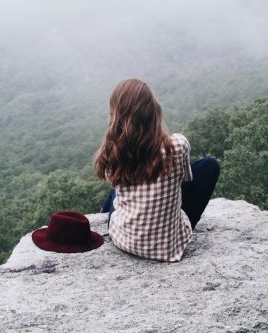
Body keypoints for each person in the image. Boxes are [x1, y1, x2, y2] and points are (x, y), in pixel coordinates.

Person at [93, 79, 219, 262]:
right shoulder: (178, 145)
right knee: (209, 165)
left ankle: (103, 213)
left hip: (124, 240)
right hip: (169, 247)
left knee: (115, 192)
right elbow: (185, 180)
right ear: (153, 111)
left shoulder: (113, 153)